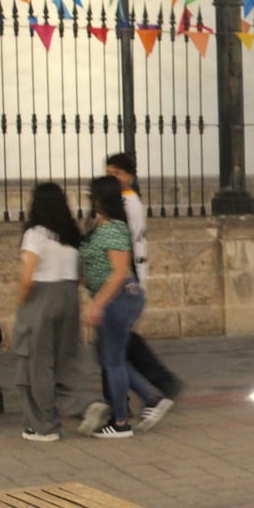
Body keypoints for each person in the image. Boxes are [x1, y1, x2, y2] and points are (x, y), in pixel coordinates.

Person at [14, 183, 111, 441]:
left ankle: (44, 425)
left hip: (42, 297)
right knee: (66, 359)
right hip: (68, 296)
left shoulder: (35, 234)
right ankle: (86, 405)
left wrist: (21, 301)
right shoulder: (70, 235)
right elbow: (81, 275)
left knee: (37, 362)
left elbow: (27, 275)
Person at [80, 176, 168, 438]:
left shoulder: (115, 229)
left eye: (93, 195)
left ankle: (120, 422)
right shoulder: (99, 226)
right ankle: (150, 398)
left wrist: (97, 304)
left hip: (118, 298)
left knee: (113, 361)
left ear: (100, 198)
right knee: (109, 358)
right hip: (112, 298)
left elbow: (119, 273)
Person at [103, 153, 180, 431]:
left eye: (117, 173)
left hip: (127, 282)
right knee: (118, 347)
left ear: (129, 176)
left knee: (116, 349)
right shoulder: (122, 202)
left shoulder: (127, 204)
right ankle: (139, 394)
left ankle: (149, 394)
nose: (112, 177)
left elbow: (126, 246)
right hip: (127, 281)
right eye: (108, 172)